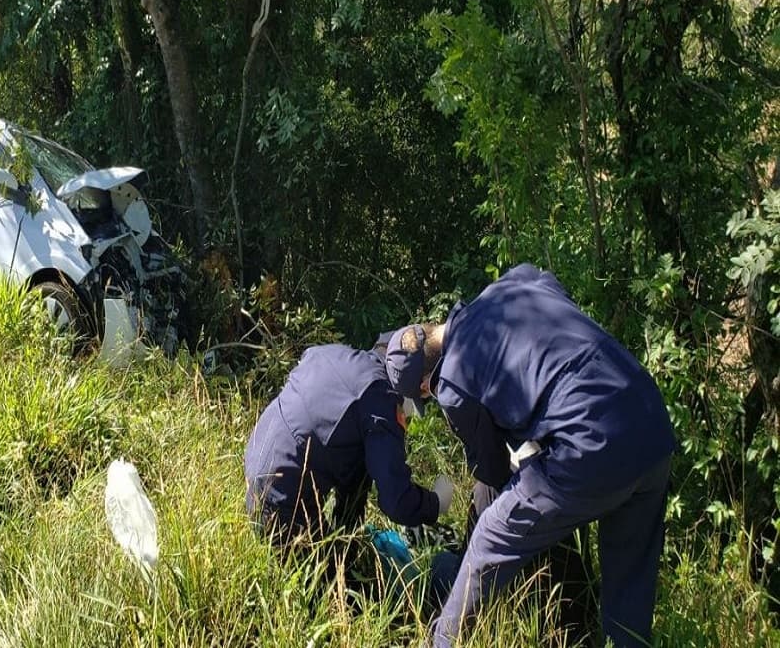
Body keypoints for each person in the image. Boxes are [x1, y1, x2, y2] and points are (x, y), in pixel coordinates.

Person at [384, 263, 676, 648]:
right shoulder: (510, 286)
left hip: (588, 443)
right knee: (629, 581)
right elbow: (546, 281)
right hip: (649, 419)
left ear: (425, 385)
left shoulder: (452, 383)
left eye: (426, 397)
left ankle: (439, 644)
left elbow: (491, 472)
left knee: (489, 537)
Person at [243, 342, 453, 556]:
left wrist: (348, 540)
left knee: (347, 555)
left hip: (255, 467)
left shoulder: (331, 353)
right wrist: (435, 504)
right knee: (338, 583)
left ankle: (344, 553)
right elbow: (396, 501)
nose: (408, 417)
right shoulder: (381, 402)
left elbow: (354, 478)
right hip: (280, 503)